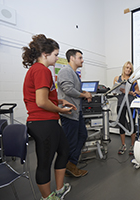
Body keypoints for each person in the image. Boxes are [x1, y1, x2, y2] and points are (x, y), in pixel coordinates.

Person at [22, 34, 74, 200]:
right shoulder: (41, 70)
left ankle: (59, 190)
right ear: (45, 54)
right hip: (42, 122)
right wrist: (61, 110)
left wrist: (59, 100)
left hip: (48, 122)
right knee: (44, 163)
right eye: (56, 54)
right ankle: (48, 197)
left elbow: (41, 96)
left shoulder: (39, 70)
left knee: (64, 151)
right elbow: (41, 102)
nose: (57, 58)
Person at [57, 49, 92, 177]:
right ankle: (67, 165)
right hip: (69, 112)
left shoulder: (74, 73)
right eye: (80, 57)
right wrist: (83, 94)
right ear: (72, 58)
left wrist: (84, 94)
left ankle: (71, 164)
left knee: (82, 135)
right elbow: (68, 89)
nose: (82, 60)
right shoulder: (66, 71)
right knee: (71, 141)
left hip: (77, 112)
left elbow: (75, 89)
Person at [113, 61, 139, 155]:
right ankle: (123, 145)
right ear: (124, 68)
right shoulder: (117, 78)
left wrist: (133, 92)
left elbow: (137, 90)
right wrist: (117, 91)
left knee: (132, 122)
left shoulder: (133, 79)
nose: (128, 69)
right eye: (127, 67)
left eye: (130, 68)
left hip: (131, 104)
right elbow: (114, 90)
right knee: (121, 123)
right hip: (121, 104)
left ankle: (132, 145)